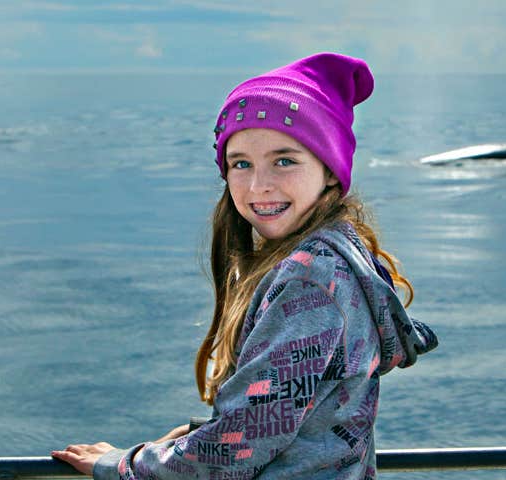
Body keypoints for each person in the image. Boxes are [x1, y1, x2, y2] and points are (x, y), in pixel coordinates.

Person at [51, 52, 438, 479]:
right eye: (241, 164)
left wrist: (122, 465)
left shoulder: (311, 278)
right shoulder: (339, 257)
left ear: (330, 169)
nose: (259, 186)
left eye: (284, 160)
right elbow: (291, 421)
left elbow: (238, 445)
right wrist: (187, 438)